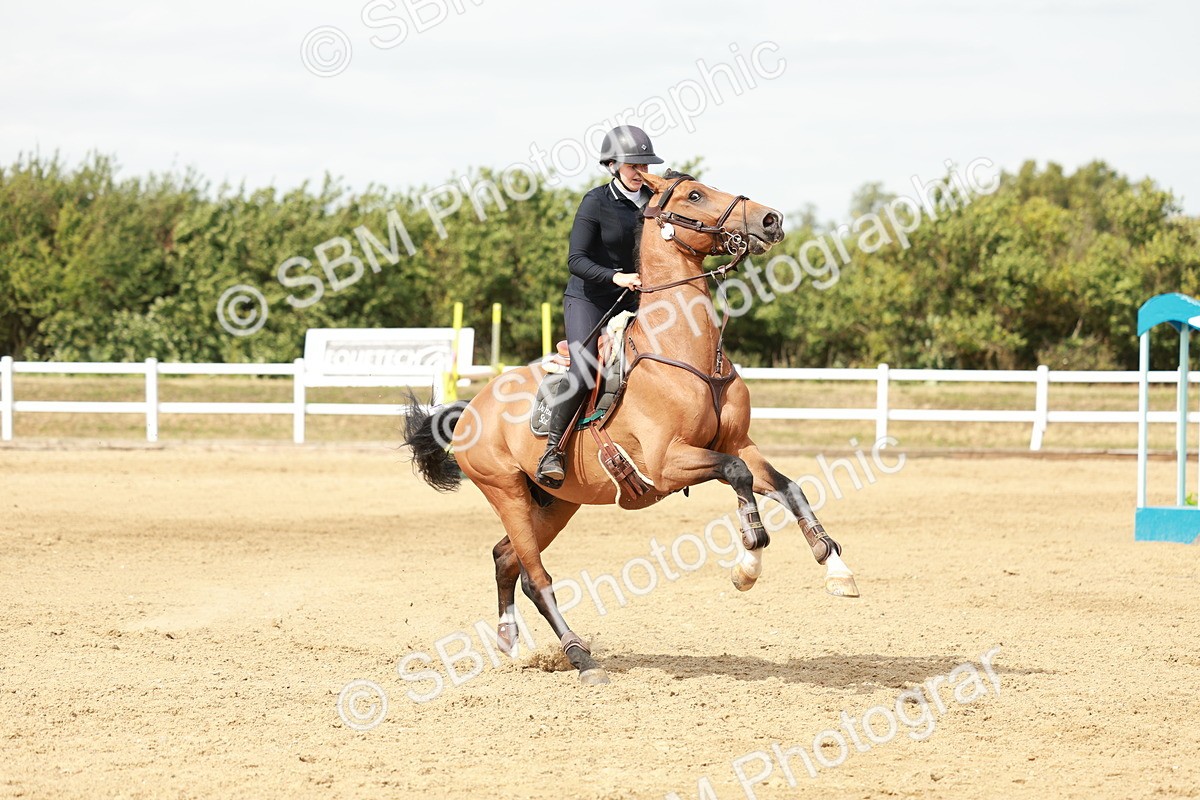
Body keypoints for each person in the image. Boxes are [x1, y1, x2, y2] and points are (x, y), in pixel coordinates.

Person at [535, 125, 664, 488]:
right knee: (584, 372)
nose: (640, 172)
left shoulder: (655, 203)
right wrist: (615, 277)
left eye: (645, 166)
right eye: (633, 166)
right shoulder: (595, 202)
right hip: (590, 298)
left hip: (638, 297)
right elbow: (575, 260)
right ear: (612, 165)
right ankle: (552, 451)